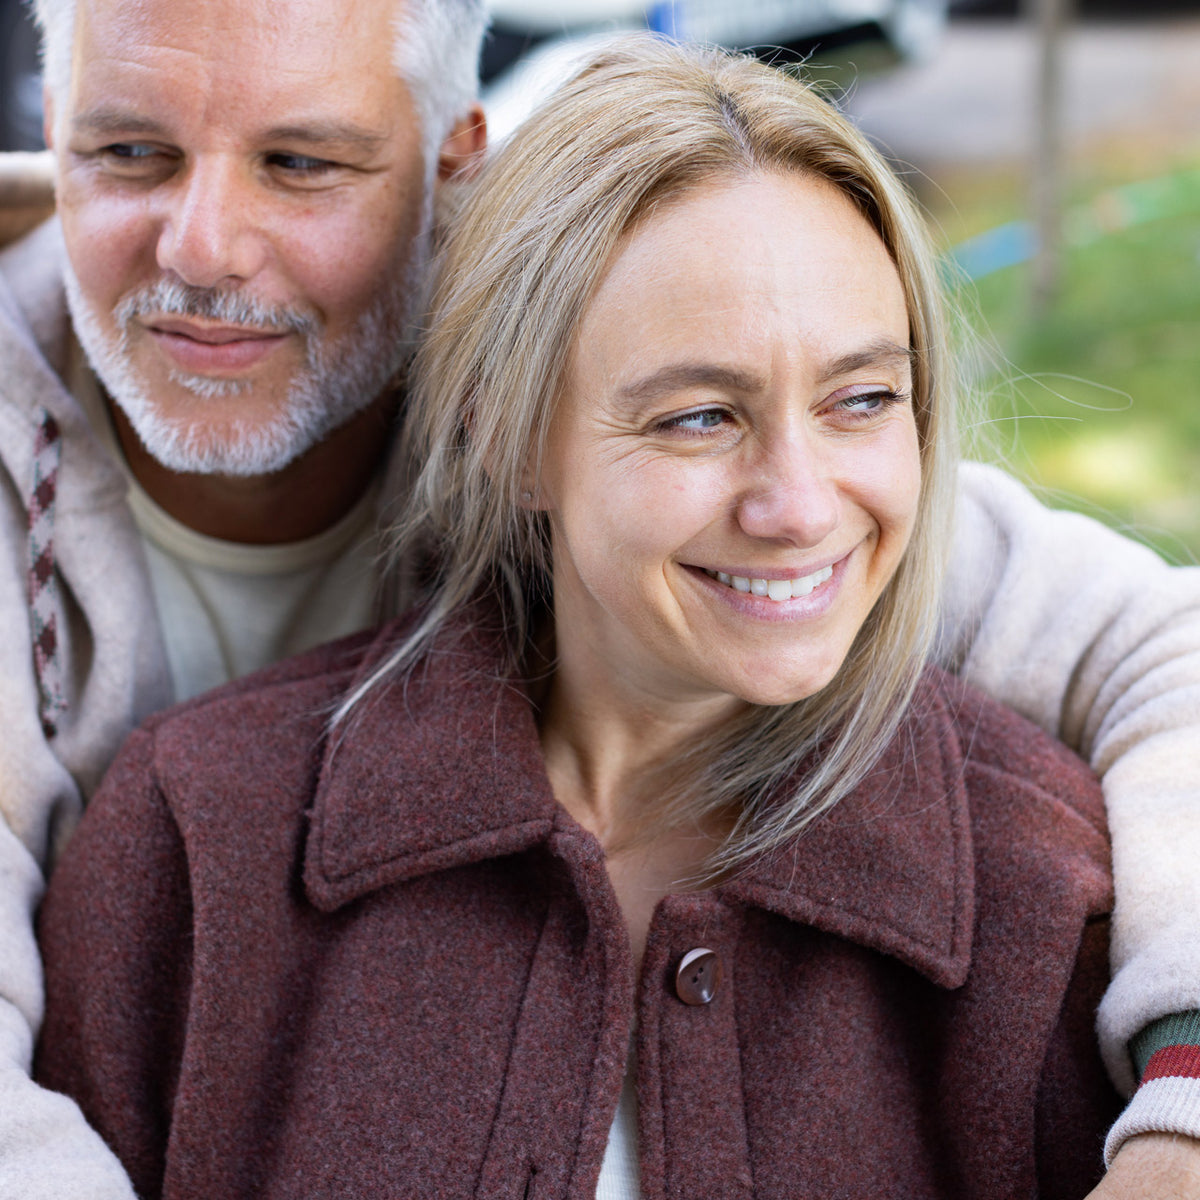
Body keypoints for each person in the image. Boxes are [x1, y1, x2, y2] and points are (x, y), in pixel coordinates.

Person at [32, 37, 1200, 1198]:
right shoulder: (192, 841)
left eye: (863, 399)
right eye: (698, 417)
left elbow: (1163, 643)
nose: (798, 509)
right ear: (507, 437)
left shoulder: (1043, 891)